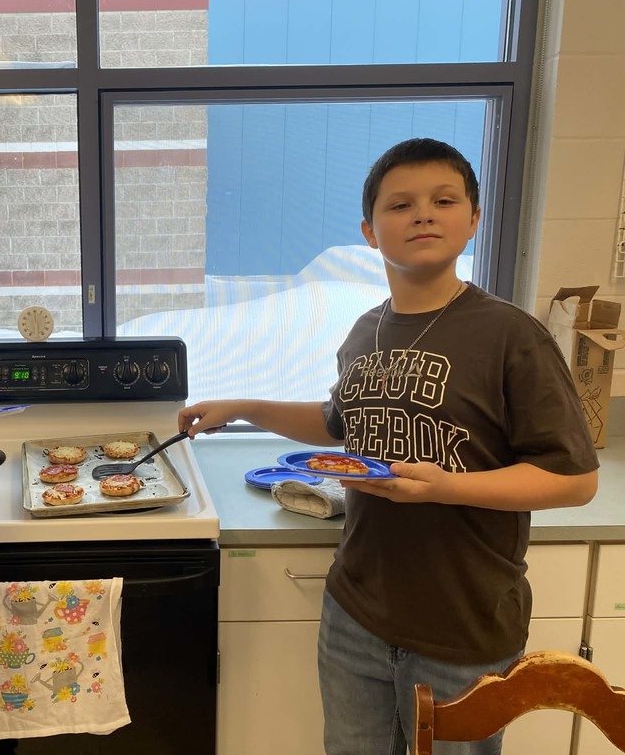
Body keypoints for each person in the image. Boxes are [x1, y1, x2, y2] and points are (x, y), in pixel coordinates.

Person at [179, 138, 599, 755]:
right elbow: (337, 425)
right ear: (370, 232)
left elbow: (574, 479)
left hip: (464, 624)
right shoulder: (365, 331)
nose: (423, 214)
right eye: (400, 205)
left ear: (473, 219)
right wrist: (243, 407)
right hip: (356, 612)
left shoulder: (512, 335)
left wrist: (448, 487)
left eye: (443, 200)